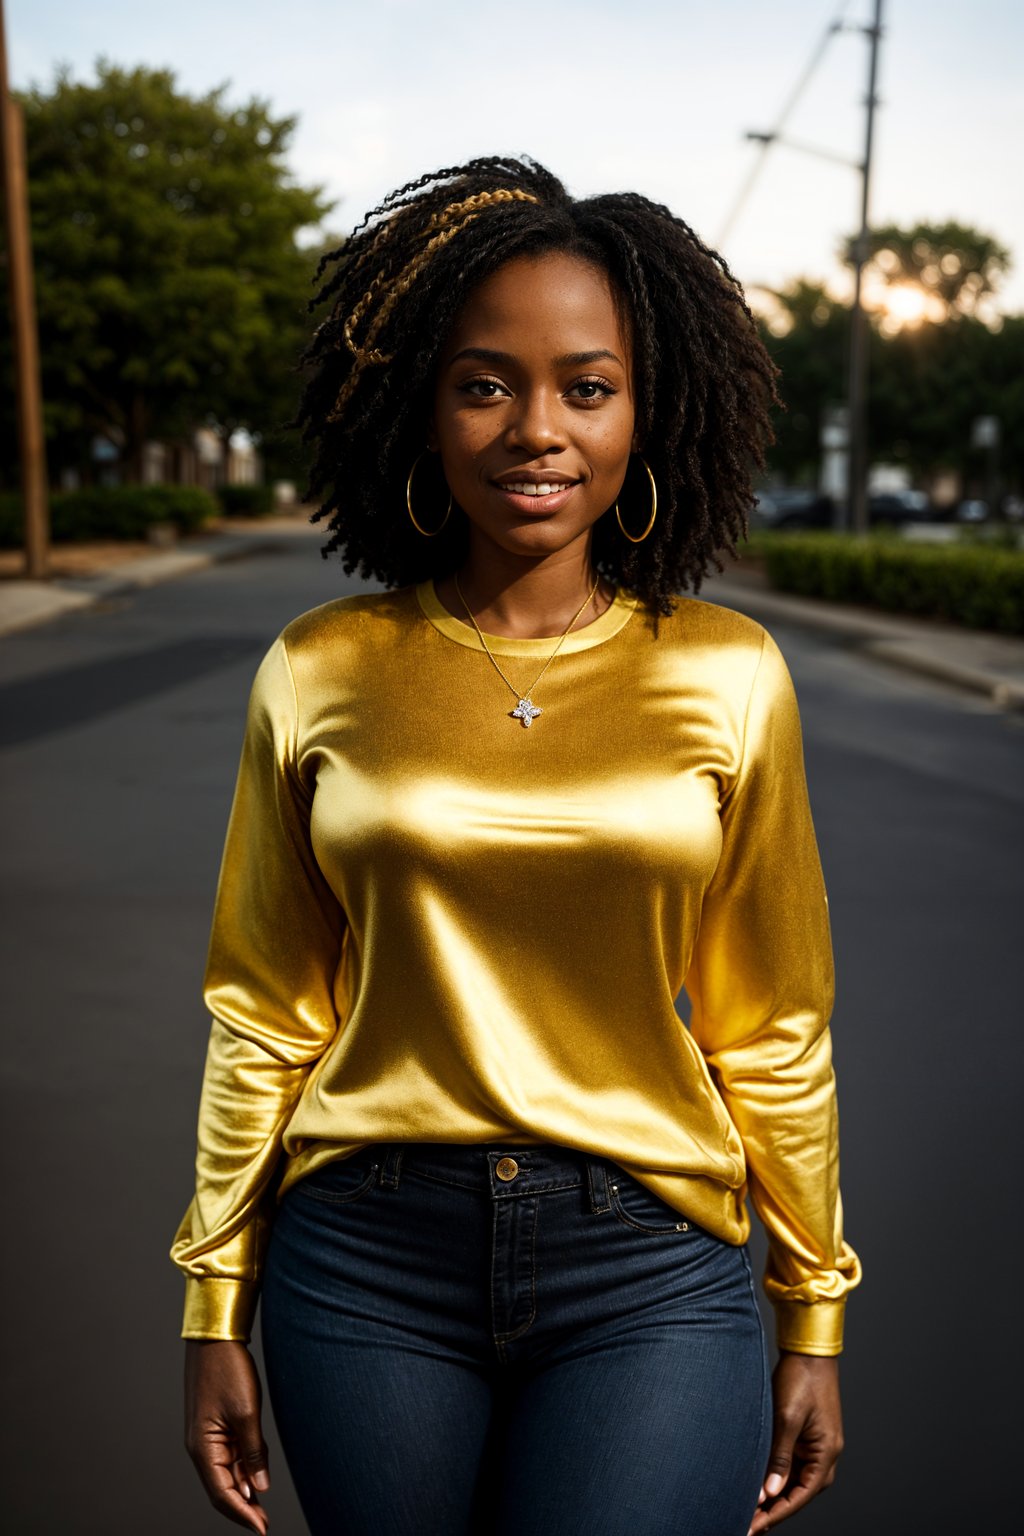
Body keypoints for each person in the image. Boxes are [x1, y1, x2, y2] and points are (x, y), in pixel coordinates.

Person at [173, 155, 861, 1536]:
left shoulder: (731, 674)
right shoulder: (318, 669)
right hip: (363, 1261)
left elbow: (773, 1025)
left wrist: (814, 1313)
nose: (535, 429)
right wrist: (213, 1298)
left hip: (654, 1266)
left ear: (640, 410)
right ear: (422, 409)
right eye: (486, 383)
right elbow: (263, 1012)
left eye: (585, 387)